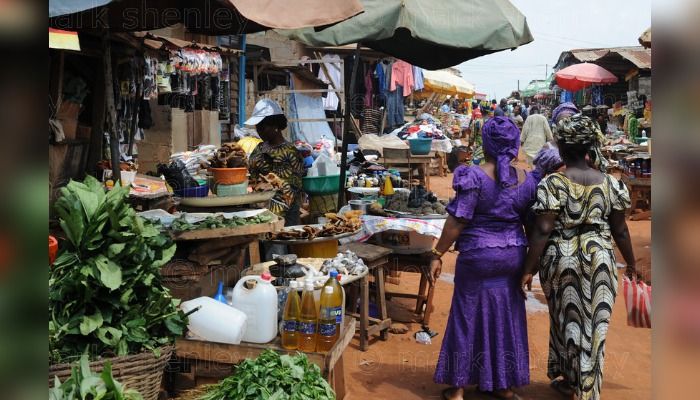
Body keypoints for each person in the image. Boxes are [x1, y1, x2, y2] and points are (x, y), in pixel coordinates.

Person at [521, 114, 637, 400]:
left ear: (560, 148)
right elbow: (620, 230)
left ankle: (575, 384)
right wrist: (632, 264)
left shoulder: (552, 184)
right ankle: (584, 387)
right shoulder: (613, 185)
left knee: (566, 322)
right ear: (589, 147)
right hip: (600, 261)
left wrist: (528, 268)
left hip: (561, 260)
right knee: (595, 328)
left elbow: (543, 229)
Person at [432, 116, 540, 400]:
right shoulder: (528, 180)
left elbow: (458, 221)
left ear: (487, 144)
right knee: (505, 317)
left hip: (477, 256)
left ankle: (457, 389)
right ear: (515, 144)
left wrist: (436, 253)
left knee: (466, 315)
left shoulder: (473, 176)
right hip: (513, 255)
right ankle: (503, 385)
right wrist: (530, 266)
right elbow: (534, 226)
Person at [246, 99, 305, 226]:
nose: (259, 131)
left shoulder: (290, 152)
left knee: (276, 245)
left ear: (276, 126)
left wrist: (266, 216)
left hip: (281, 215)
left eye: (263, 127)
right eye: (258, 127)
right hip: (259, 209)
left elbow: (289, 191)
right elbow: (251, 174)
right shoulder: (260, 148)